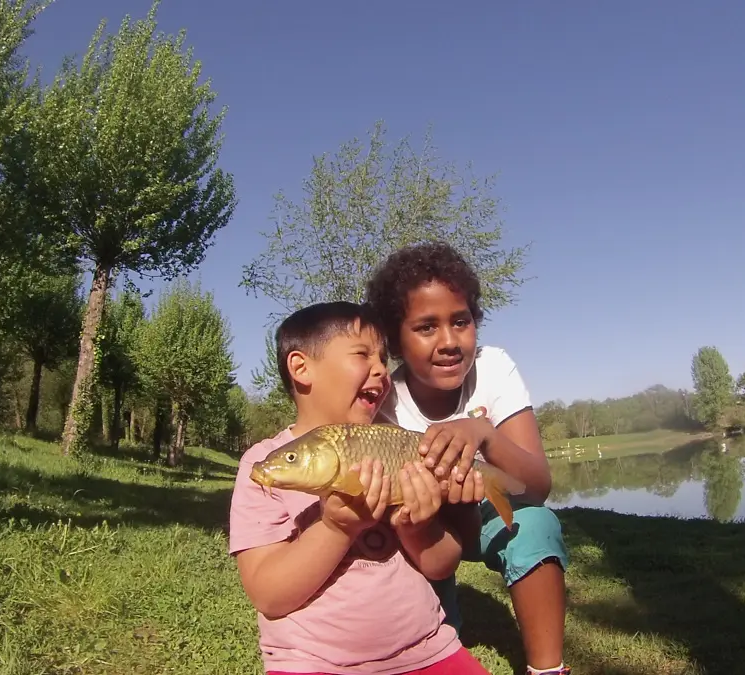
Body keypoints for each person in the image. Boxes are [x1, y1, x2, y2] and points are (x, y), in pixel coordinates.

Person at [228, 301, 491, 675]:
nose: (382, 369)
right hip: (315, 664)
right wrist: (337, 528)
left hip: (428, 648)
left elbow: (442, 564)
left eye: (383, 357)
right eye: (362, 354)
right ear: (301, 368)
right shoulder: (267, 463)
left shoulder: (399, 446)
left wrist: (419, 526)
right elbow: (268, 595)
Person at [366, 242, 571, 675]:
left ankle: (547, 670)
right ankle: (435, 642)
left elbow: (537, 486)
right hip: (426, 526)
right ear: (395, 339)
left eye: (461, 322)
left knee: (536, 525)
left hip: (491, 512)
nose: (448, 342)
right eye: (425, 327)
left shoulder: (494, 368)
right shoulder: (383, 401)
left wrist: (484, 435)